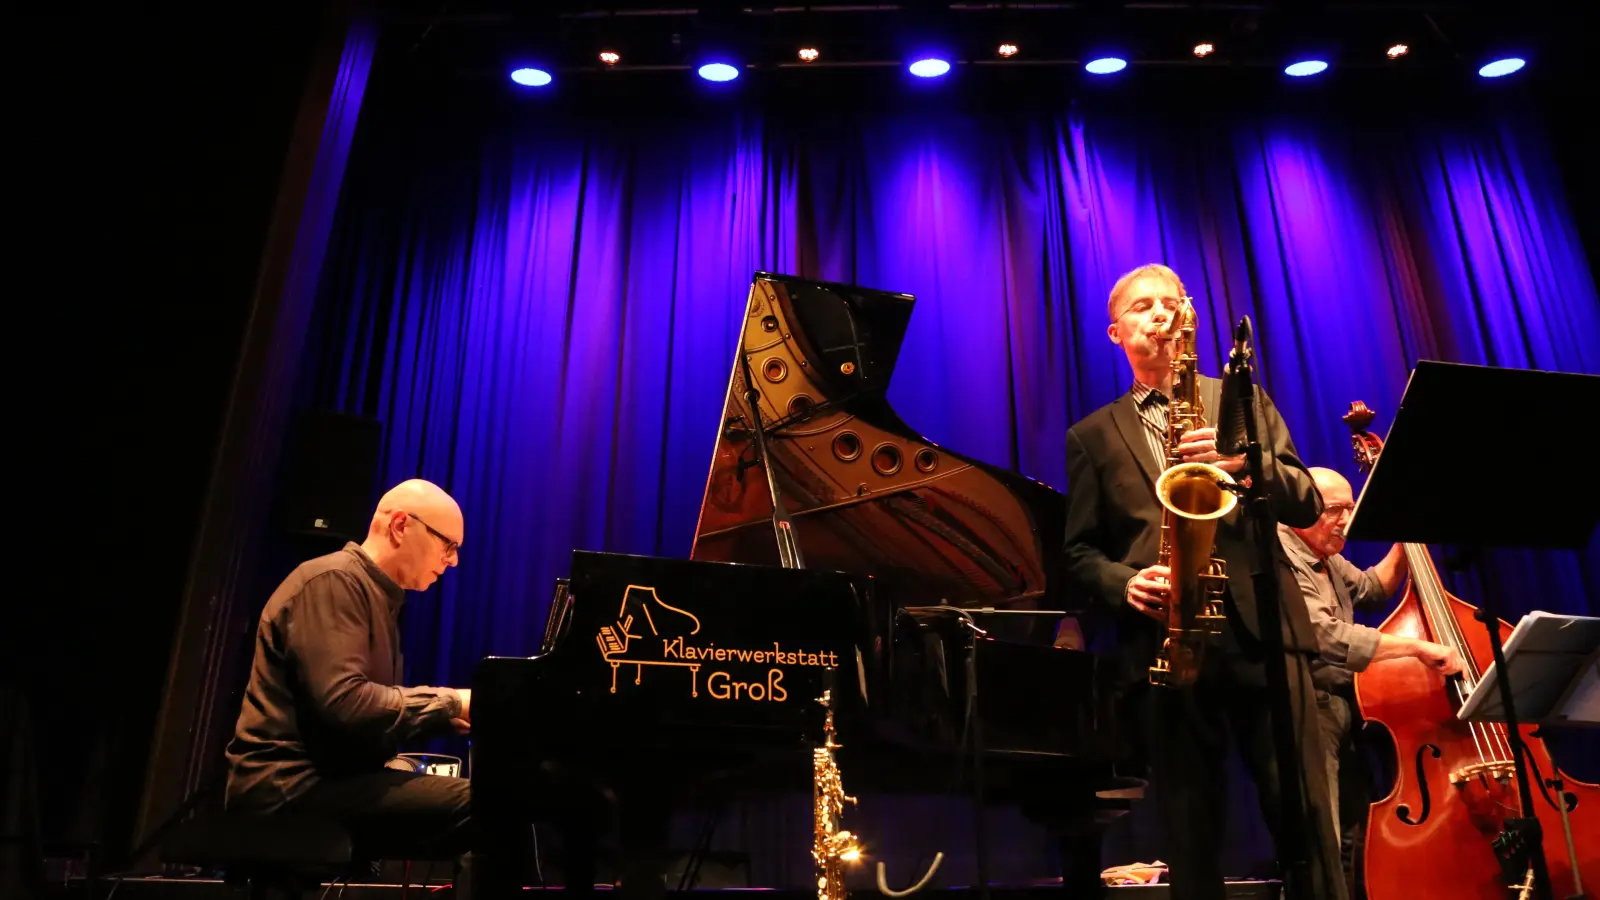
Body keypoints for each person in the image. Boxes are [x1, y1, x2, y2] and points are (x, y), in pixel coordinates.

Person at [1061, 263, 1345, 900]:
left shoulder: (1239, 400)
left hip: (1262, 634)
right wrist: (1125, 583)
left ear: (1187, 321)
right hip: (1166, 642)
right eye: (1143, 307)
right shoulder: (1092, 436)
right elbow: (1078, 554)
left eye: (1171, 304)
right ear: (1116, 332)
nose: (1160, 315)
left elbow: (1303, 500)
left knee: (1307, 822)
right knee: (1192, 839)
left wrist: (1241, 462)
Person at [224, 478, 473, 861]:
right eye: (448, 544)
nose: (453, 559)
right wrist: (452, 702)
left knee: (495, 802)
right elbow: (345, 704)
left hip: (332, 779)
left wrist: (458, 717)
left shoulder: (378, 596)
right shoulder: (333, 582)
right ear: (401, 525)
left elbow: (364, 716)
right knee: (488, 806)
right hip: (289, 787)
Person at [1280, 466, 1465, 900]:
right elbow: (1322, 633)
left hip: (1345, 709)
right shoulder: (1282, 556)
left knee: (1351, 837)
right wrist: (1415, 649)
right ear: (1299, 510)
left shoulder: (1326, 556)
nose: (1346, 520)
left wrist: (1406, 539)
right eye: (1334, 510)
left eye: (1351, 508)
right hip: (1308, 708)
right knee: (1319, 836)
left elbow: (1372, 588)